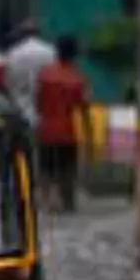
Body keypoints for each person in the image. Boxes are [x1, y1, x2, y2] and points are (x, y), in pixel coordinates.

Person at [34, 35, 92, 212]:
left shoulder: (45, 75)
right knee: (67, 169)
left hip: (46, 129)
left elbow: (38, 103)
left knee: (46, 168)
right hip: (68, 131)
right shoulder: (77, 79)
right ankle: (68, 202)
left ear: (57, 52)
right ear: (74, 54)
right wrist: (88, 134)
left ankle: (47, 201)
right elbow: (83, 109)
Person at [4, 19, 57, 125]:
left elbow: (9, 81)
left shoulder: (14, 53)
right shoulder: (51, 51)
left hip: (21, 107)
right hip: (45, 109)